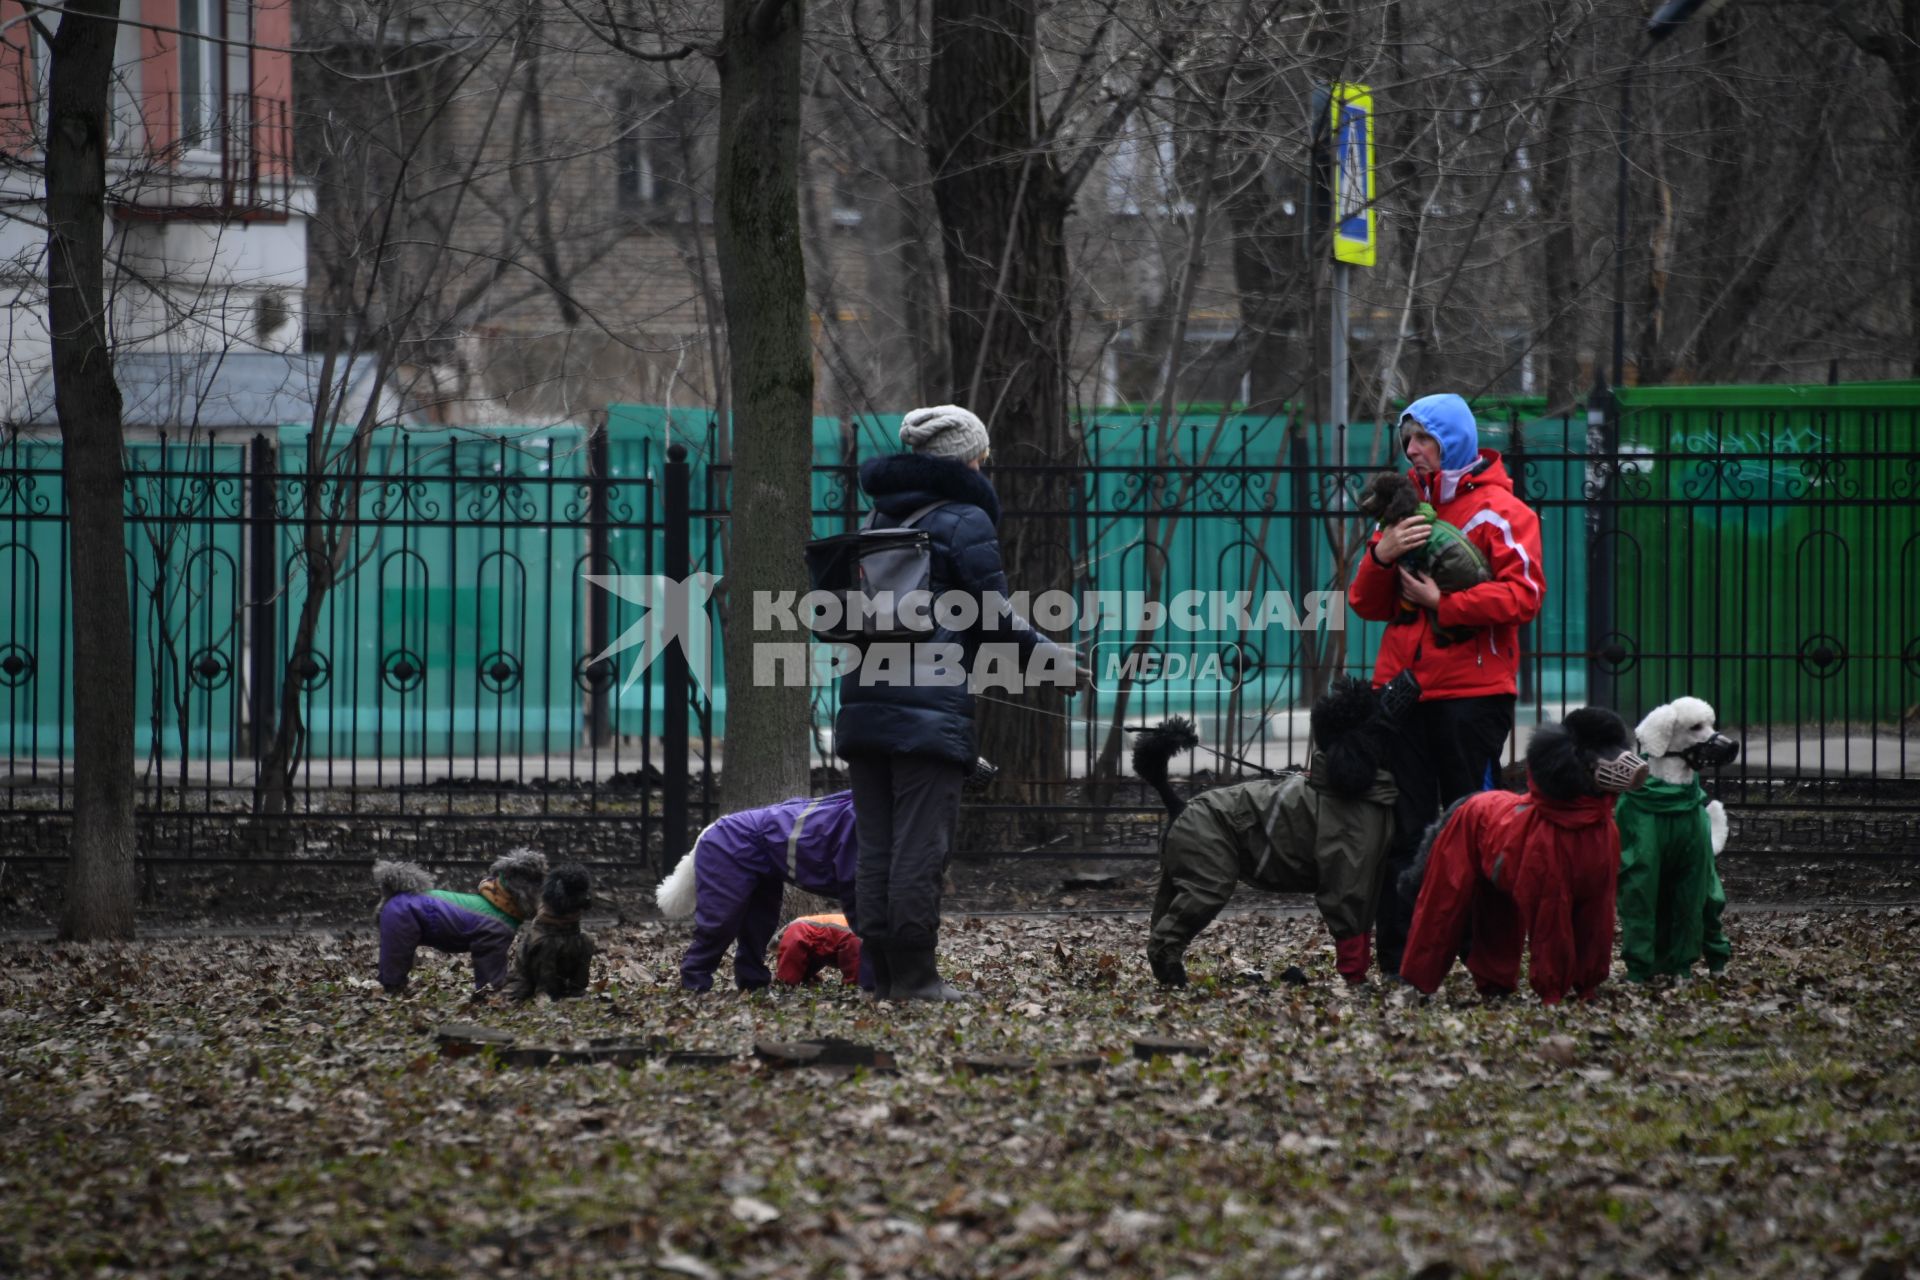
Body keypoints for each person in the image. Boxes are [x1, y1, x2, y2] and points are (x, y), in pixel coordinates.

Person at [836, 404, 1082, 1002]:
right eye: (983, 455)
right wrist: (1055, 659)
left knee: (878, 849)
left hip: (864, 701)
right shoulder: (964, 518)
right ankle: (918, 979)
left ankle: (884, 977)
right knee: (920, 847)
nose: (986, 465)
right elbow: (993, 617)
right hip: (929, 709)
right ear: (967, 459)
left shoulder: (876, 517)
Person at [1348, 393, 1546, 976]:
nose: (1412, 450)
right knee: (1403, 830)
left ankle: (1485, 957)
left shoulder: (1502, 512)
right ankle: (1403, 961)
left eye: (1423, 439)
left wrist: (1446, 603)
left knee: (1478, 826)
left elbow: (1525, 596)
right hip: (1402, 694)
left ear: (1453, 441)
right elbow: (1365, 604)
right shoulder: (1403, 513)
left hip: (1473, 696)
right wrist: (1381, 556)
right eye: (1407, 440)